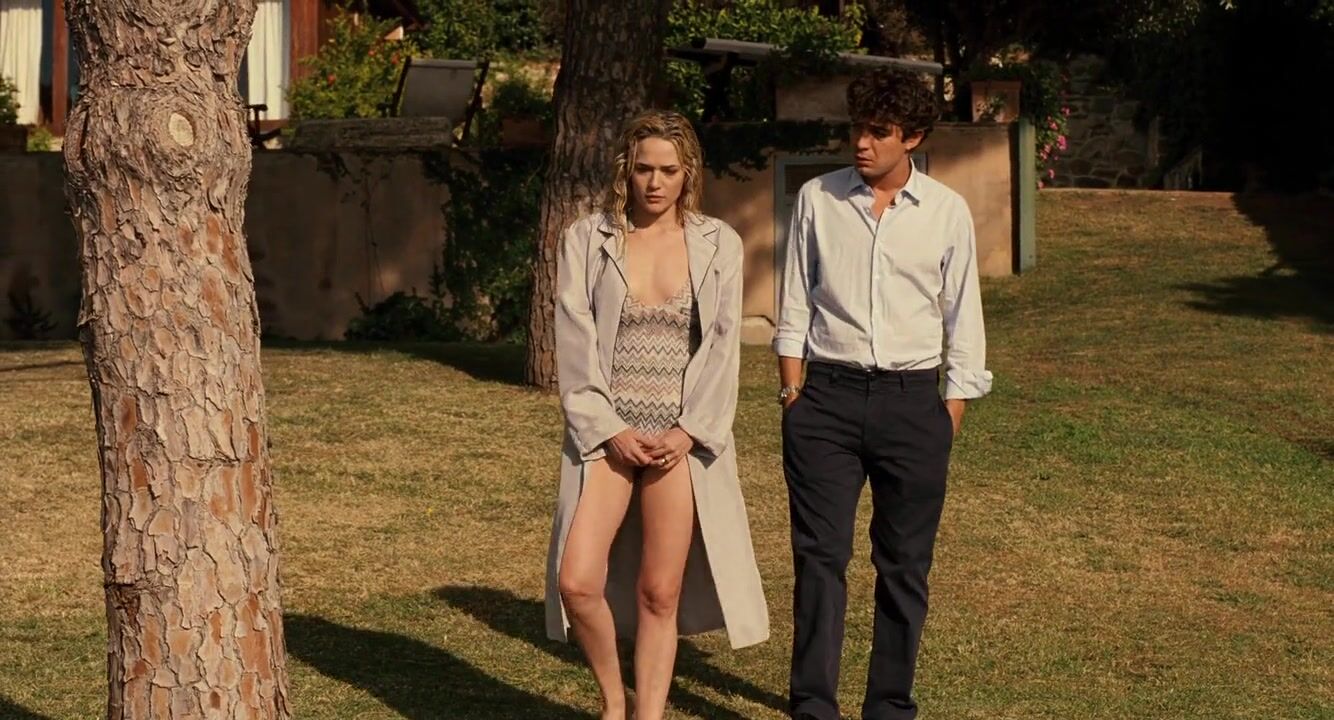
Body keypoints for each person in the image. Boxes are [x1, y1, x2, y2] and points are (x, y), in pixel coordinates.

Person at [774, 68, 993, 720]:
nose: (862, 143)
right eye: (857, 129)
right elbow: (794, 301)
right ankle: (813, 706)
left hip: (913, 404)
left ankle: (889, 707)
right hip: (825, 402)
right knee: (820, 559)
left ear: (913, 137)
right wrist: (793, 393)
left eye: (879, 132)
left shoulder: (946, 212)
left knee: (904, 566)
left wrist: (949, 412)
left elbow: (964, 317)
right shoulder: (817, 199)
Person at [544, 109, 769, 720]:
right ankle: (613, 702)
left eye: (668, 170)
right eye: (644, 168)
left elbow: (722, 347)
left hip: (679, 441)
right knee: (577, 581)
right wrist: (610, 429)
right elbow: (574, 342)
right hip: (607, 436)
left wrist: (689, 430)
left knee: (658, 591)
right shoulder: (588, 239)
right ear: (626, 169)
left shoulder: (718, 242)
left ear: (688, 172)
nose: (654, 182)